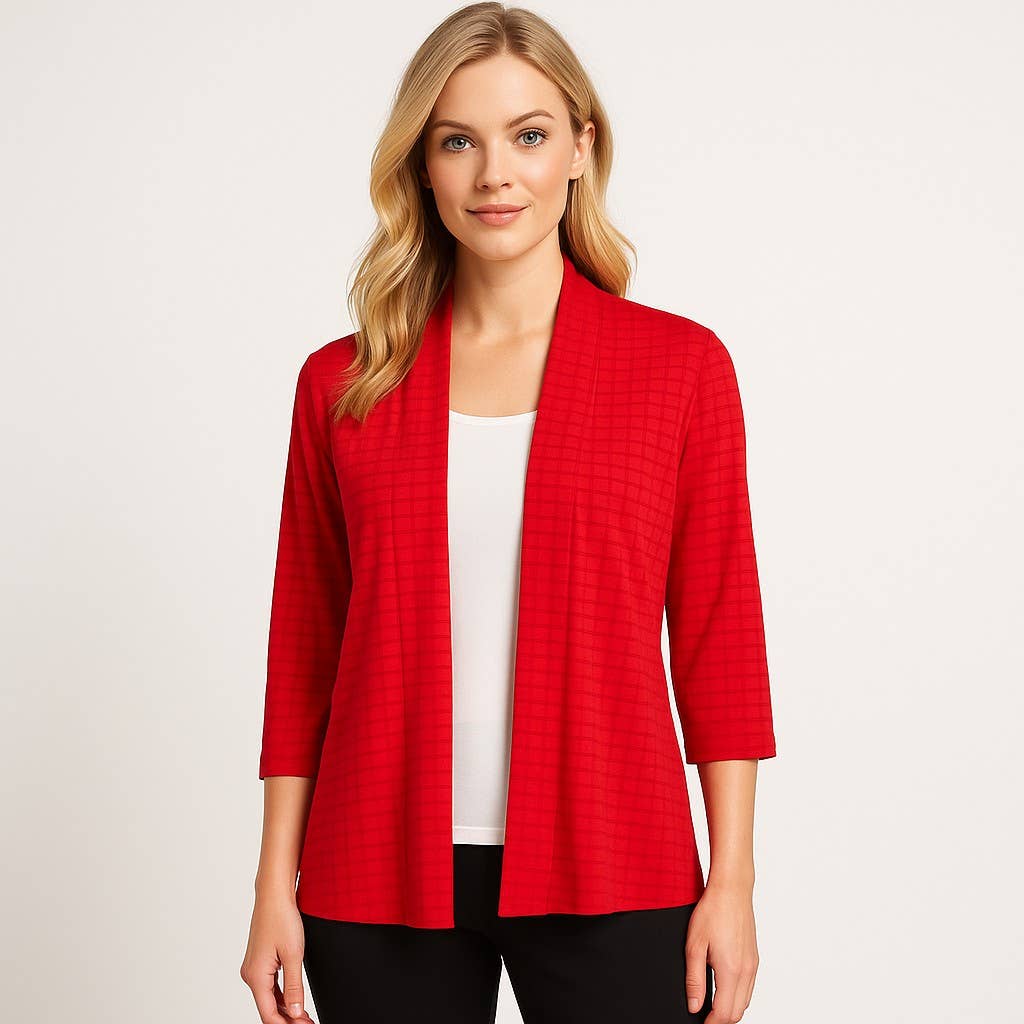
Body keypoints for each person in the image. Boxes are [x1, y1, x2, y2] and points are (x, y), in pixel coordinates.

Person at [239, 4, 778, 1023]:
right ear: (422, 165)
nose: (495, 174)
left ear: (580, 147)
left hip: (615, 854)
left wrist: (733, 882)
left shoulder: (677, 369)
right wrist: (273, 882)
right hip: (375, 866)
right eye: (458, 141)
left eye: (529, 135)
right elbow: (304, 649)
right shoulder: (344, 384)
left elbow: (720, 643)